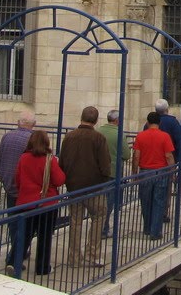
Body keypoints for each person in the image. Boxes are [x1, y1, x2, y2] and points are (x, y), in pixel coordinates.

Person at [59, 105, 111, 266]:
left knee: (75, 221)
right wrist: (104, 179)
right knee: (99, 216)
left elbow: (62, 161)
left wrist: (68, 179)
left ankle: (74, 257)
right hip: (94, 186)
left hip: (74, 185)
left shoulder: (69, 137)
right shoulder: (98, 138)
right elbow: (105, 165)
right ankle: (92, 253)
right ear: (95, 120)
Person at [12, 129, 65, 277]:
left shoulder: (23, 158)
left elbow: (17, 179)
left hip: (25, 202)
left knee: (23, 235)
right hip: (46, 203)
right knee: (45, 236)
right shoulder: (49, 159)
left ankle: (13, 262)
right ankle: (42, 267)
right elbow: (60, 180)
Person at [0, 110, 36, 270]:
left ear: (18, 123)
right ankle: (15, 257)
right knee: (25, 224)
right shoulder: (31, 140)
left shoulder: (7, 137)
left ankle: (17, 251)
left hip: (8, 185)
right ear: (33, 125)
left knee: (13, 222)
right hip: (25, 189)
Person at [131, 111, 175, 240]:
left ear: (148, 122)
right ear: (159, 123)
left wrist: (134, 172)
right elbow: (169, 156)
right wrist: (172, 171)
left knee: (145, 201)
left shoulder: (140, 136)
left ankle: (147, 228)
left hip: (145, 172)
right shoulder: (165, 136)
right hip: (161, 172)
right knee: (159, 202)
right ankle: (155, 232)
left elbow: (136, 155)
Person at [155, 98, 181, 224]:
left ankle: (153, 213)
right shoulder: (172, 122)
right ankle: (163, 213)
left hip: (152, 161)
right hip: (168, 160)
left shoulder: (151, 122)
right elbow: (179, 139)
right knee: (166, 188)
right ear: (167, 109)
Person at [97, 109, 129, 237]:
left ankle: (98, 226)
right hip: (113, 172)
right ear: (116, 120)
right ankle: (103, 229)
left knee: (98, 199)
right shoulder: (119, 134)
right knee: (108, 202)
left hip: (98, 171)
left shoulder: (98, 131)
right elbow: (126, 154)